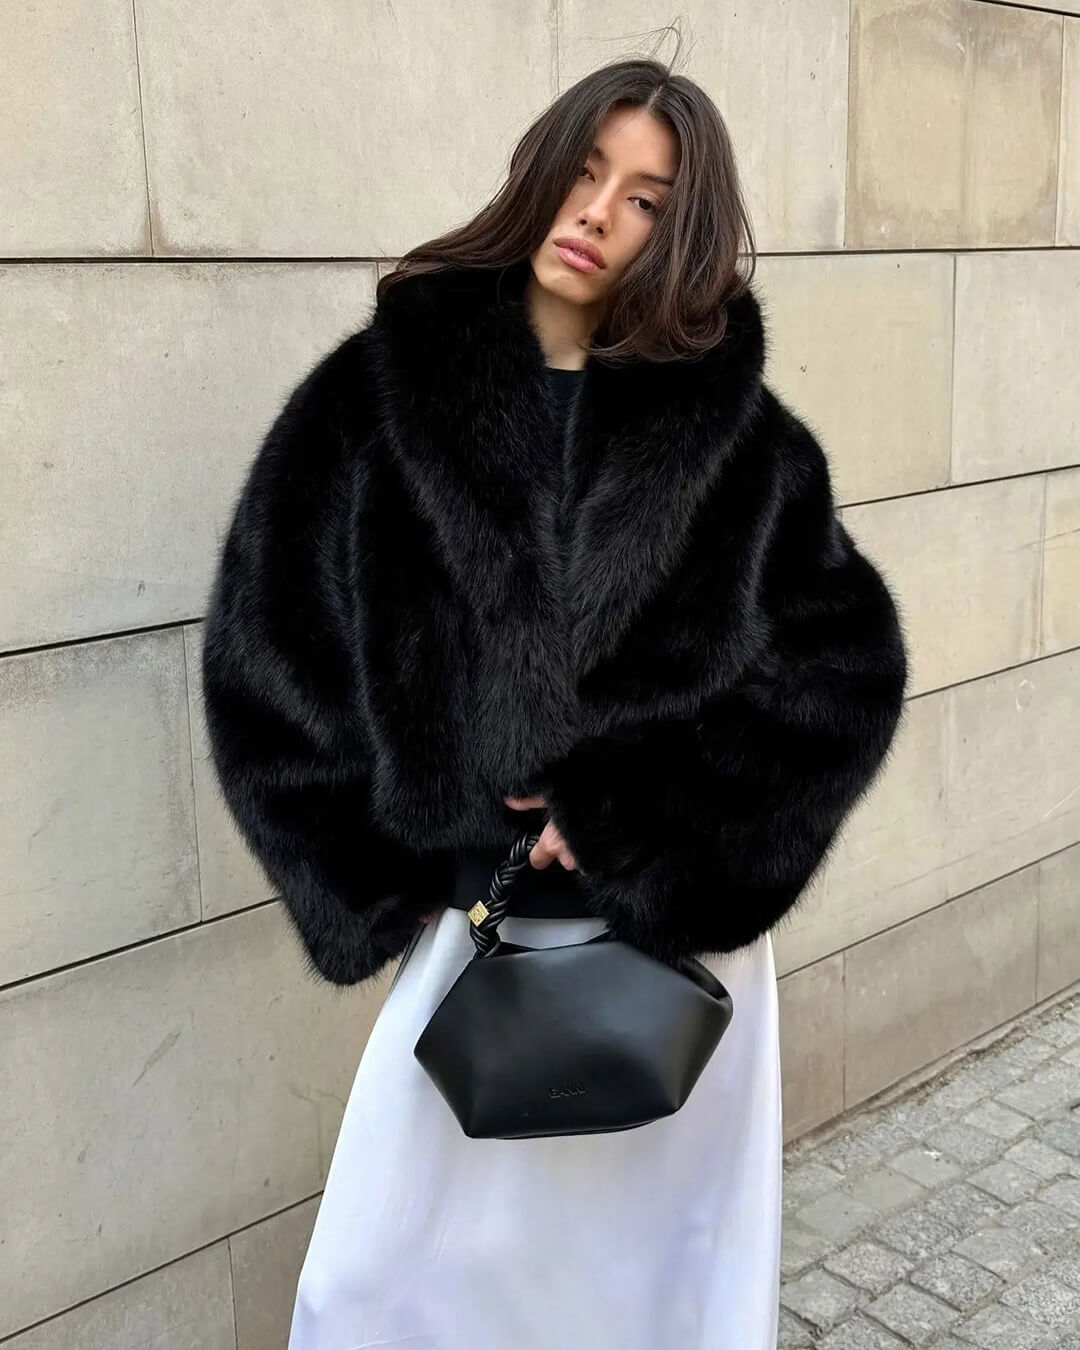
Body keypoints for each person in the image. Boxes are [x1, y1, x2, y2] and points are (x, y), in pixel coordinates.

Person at [200, 54, 908, 1350]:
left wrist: (633, 813)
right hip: (474, 937)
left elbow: (841, 674)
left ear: (678, 233)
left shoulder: (744, 444)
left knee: (653, 1299)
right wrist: (378, 866)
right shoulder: (377, 401)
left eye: (646, 199)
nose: (598, 213)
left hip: (675, 956)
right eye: (587, 170)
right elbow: (270, 649)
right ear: (541, 169)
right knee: (381, 1292)